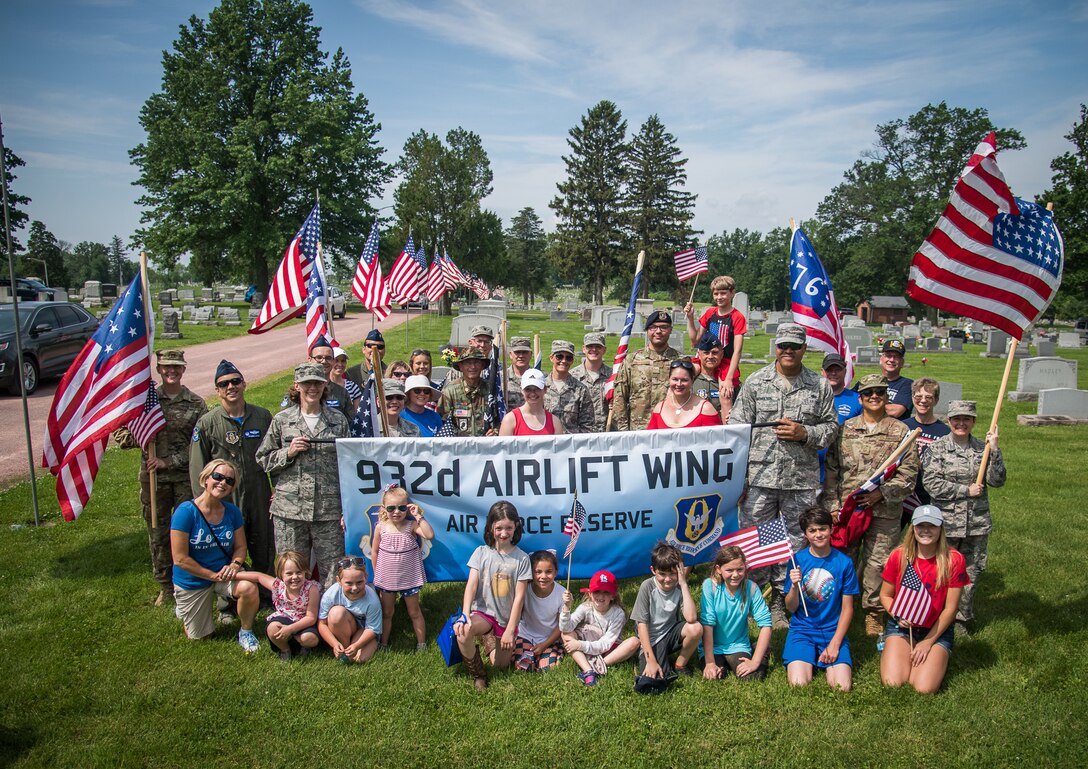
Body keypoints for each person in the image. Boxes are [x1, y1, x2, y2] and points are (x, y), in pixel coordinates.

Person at [728, 323, 838, 626]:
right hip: (760, 478)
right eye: (783, 346)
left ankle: (780, 599)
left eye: (795, 346)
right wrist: (739, 478)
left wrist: (805, 432)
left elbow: (830, 429)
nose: (788, 351)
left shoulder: (819, 385)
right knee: (755, 540)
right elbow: (738, 431)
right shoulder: (756, 382)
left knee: (792, 544)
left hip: (799, 481)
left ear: (804, 349)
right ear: (775, 347)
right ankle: (751, 597)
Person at [823, 374, 919, 637]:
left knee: (878, 564)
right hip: (848, 511)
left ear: (887, 396)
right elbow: (832, 470)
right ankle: (839, 609)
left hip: (884, 511)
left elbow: (909, 472)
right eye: (868, 393)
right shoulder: (845, 429)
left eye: (879, 392)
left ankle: (874, 612)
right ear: (861, 398)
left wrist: (883, 493)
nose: (874, 396)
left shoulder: (901, 432)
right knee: (844, 561)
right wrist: (833, 506)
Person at [115, 348, 208, 606]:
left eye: (176, 367)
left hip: (184, 477)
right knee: (158, 531)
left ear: (183, 369)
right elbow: (121, 436)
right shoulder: (145, 403)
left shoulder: (196, 404)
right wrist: (143, 437)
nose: (171, 371)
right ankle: (165, 585)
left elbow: (200, 445)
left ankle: (191, 580)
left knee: (187, 530)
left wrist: (170, 461)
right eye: (166, 367)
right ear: (158, 370)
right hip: (154, 479)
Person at [256, 364, 350, 587]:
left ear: (325, 385)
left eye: (317, 382)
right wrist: (288, 453)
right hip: (290, 510)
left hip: (328, 510)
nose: (312, 388)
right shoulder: (282, 420)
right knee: (291, 569)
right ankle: (292, 615)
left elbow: (348, 464)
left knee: (332, 571)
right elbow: (263, 458)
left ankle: (327, 617)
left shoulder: (338, 420)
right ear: (297, 386)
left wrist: (348, 506)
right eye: (307, 383)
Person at [921, 400, 1005, 636]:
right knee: (939, 570)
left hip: (976, 523)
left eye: (966, 419)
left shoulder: (983, 448)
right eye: (956, 419)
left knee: (971, 571)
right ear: (949, 421)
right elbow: (931, 484)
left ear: (973, 422)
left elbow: (997, 481)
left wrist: (995, 450)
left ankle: (960, 619)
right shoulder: (937, 449)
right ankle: (935, 615)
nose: (961, 423)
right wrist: (964, 491)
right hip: (945, 524)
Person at [189, 360, 274, 584]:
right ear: (217, 391)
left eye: (235, 381)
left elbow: (275, 453)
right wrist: (204, 501)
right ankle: (227, 599)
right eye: (224, 384)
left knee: (263, 540)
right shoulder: (208, 423)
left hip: (258, 490)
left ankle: (265, 592)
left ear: (244, 384)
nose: (231, 387)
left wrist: (277, 487)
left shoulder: (262, 416)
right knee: (226, 545)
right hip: (224, 495)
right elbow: (198, 467)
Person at [169, 459, 260, 651]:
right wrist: (211, 575)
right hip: (193, 579)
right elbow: (180, 559)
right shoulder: (185, 512)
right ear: (205, 479)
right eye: (217, 477)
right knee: (202, 637)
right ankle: (184, 607)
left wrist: (235, 564)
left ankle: (246, 631)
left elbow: (240, 547)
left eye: (229, 480)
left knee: (249, 588)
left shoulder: (232, 512)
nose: (222, 483)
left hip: (224, 573)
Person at [880, 505, 970, 693]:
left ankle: (938, 652)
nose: (926, 531)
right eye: (921, 525)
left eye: (932, 526)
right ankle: (891, 644)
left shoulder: (954, 560)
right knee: (893, 683)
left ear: (941, 529)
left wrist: (928, 642)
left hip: (936, 629)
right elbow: (885, 595)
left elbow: (950, 609)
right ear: (912, 528)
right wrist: (897, 614)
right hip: (903, 626)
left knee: (923, 688)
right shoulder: (899, 556)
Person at [454, 501, 531, 690]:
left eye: (509, 528)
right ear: (490, 527)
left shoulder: (522, 559)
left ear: (516, 527)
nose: (504, 533)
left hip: (506, 620)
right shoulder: (481, 553)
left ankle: (489, 639)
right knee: (463, 632)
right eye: (499, 528)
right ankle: (478, 675)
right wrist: (465, 614)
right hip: (483, 613)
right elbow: (471, 585)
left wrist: (509, 630)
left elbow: (519, 598)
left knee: (500, 666)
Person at [782, 508, 858, 691]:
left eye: (822, 529)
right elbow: (791, 607)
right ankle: (807, 658)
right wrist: (794, 586)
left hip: (832, 630)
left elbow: (847, 609)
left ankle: (825, 657)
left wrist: (835, 644)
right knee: (798, 684)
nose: (818, 534)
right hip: (802, 630)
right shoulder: (797, 560)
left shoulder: (844, 563)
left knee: (842, 687)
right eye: (812, 530)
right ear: (806, 534)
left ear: (831, 529)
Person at [370, 485, 434, 649]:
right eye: (391, 508)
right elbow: (375, 551)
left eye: (402, 507)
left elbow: (429, 535)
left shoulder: (411, 526)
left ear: (408, 507)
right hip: (387, 580)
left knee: (414, 612)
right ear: (384, 509)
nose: (396, 512)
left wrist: (417, 516)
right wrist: (377, 573)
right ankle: (383, 643)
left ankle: (421, 643)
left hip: (409, 578)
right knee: (387, 613)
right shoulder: (380, 527)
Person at [631, 542, 702, 687]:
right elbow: (641, 626)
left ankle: (680, 665)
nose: (668, 579)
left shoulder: (679, 586)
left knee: (696, 628)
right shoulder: (647, 587)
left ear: (680, 571)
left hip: (670, 634)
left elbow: (691, 618)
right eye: (662, 574)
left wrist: (683, 584)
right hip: (650, 640)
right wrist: (650, 660)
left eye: (672, 573)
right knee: (654, 680)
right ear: (653, 570)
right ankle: (654, 659)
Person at [700, 545, 772, 682]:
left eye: (740, 569)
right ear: (718, 569)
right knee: (714, 677)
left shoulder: (751, 588)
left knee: (751, 677)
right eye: (729, 570)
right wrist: (710, 663)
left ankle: (762, 652)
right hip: (713, 646)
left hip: (738, 645)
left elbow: (766, 624)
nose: (735, 574)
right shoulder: (710, 586)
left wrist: (755, 662)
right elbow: (707, 624)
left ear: (745, 568)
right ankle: (719, 663)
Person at [235, 550, 320, 661]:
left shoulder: (311, 589)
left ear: (305, 572)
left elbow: (311, 618)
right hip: (284, 618)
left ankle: (300, 644)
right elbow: (258, 577)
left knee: (310, 638)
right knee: (272, 629)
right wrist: (234, 575)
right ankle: (285, 649)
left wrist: (290, 629)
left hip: (303, 622)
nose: (294, 577)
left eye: (299, 572)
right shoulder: (278, 586)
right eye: (289, 574)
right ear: (281, 574)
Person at [612, 310, 681, 432]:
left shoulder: (680, 361)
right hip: (638, 431)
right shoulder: (632, 360)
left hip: (670, 429)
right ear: (647, 331)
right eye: (653, 327)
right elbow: (620, 397)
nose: (658, 331)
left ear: (670, 330)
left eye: (663, 327)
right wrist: (623, 432)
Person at [683, 275, 746, 405]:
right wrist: (690, 318)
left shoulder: (737, 317)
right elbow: (695, 341)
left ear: (732, 293)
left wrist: (729, 378)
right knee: (683, 375)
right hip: (706, 357)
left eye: (723, 293)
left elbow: (737, 350)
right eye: (716, 294)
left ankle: (726, 422)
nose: (719, 297)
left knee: (725, 394)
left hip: (725, 362)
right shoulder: (710, 313)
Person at [900, 378, 951, 525]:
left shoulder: (945, 432)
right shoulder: (902, 427)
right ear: (912, 398)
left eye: (928, 397)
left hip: (929, 494)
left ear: (936, 400)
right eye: (918, 397)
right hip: (903, 493)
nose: (923, 401)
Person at [318, 556, 382, 664]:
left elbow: (373, 629)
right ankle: (345, 648)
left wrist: (357, 645)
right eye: (349, 583)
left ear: (366, 577)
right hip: (344, 627)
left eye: (359, 582)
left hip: (365, 631)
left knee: (360, 660)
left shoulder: (372, 600)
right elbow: (322, 624)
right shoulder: (331, 595)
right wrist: (334, 643)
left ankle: (358, 648)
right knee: (336, 613)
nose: (355, 588)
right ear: (339, 580)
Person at [513, 550, 565, 673]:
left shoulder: (562, 594)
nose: (543, 576)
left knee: (547, 667)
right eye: (538, 572)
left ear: (556, 572)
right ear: (531, 573)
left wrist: (544, 645)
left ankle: (556, 651)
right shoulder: (524, 590)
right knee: (523, 667)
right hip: (525, 636)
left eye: (548, 572)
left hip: (548, 639)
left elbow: (561, 625)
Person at [817, 352, 862, 483]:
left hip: (843, 470)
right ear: (822, 372)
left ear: (845, 371)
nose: (833, 373)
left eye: (837, 370)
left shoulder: (856, 399)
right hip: (813, 469)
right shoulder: (811, 397)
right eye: (829, 370)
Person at [646, 358, 723, 429]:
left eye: (684, 380)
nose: (679, 384)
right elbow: (650, 440)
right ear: (669, 379)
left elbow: (715, 442)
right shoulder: (659, 409)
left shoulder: (706, 409)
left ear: (692, 381)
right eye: (675, 379)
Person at [437, 349, 496, 437]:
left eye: (477, 363)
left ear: (482, 366)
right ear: (460, 366)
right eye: (468, 363)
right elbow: (442, 422)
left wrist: (495, 430)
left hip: (487, 444)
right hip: (459, 445)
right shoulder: (450, 391)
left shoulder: (491, 389)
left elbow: (500, 417)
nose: (473, 367)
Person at [544, 340, 597, 433]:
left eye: (568, 358)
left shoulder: (580, 389)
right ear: (551, 358)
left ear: (572, 361)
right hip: (546, 443)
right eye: (559, 356)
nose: (564, 361)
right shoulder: (541, 387)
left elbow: (587, 425)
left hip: (571, 445)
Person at [303, 339, 355, 425]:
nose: (323, 361)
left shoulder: (342, 393)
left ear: (332, 361)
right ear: (309, 360)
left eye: (328, 358)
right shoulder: (300, 391)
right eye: (319, 357)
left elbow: (351, 424)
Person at [499, 369, 565, 436]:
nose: (533, 393)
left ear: (545, 389)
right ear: (521, 390)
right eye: (528, 389)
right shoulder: (510, 420)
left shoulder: (555, 422)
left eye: (537, 389)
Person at [570, 332, 611, 432]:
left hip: (608, 433)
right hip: (581, 435)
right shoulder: (572, 376)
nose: (594, 350)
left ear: (604, 350)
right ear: (584, 349)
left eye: (598, 346)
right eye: (590, 346)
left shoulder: (613, 376)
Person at [876, 339, 913, 419]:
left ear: (902, 362)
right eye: (888, 355)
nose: (892, 360)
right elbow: (851, 403)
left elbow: (895, 411)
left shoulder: (908, 384)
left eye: (896, 357)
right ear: (881, 359)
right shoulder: (868, 381)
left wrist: (866, 405)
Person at [692, 333, 725, 416]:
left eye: (714, 353)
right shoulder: (690, 380)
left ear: (721, 354)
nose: (710, 356)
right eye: (706, 353)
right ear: (699, 354)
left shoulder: (728, 382)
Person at [504, 336, 534, 410]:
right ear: (511, 354)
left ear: (531, 354)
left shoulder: (538, 377)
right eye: (517, 352)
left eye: (525, 352)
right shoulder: (502, 377)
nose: (521, 356)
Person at [330, 345, 363, 410]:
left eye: (343, 361)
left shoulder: (353, 387)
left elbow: (357, 413)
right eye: (336, 360)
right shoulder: (322, 386)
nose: (340, 364)